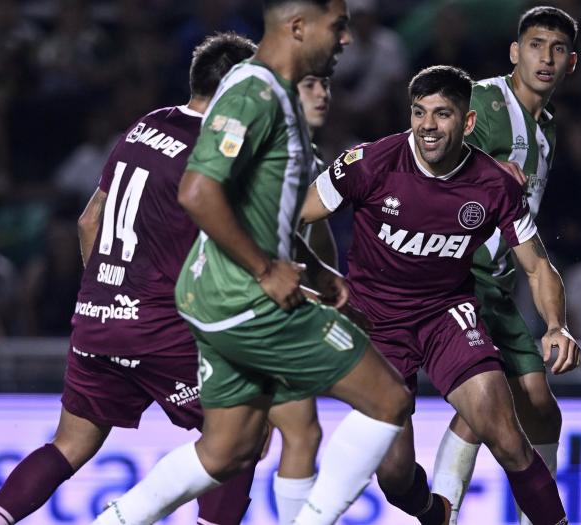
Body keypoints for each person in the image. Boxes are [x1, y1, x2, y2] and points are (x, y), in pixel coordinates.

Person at [92, 1, 412, 524]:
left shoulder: (267, 90)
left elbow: (254, 210)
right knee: (388, 400)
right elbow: (197, 192)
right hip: (245, 297)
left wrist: (316, 272)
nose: (347, 40)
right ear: (298, 27)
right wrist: (266, 269)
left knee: (228, 452)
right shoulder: (255, 94)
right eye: (338, 27)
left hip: (216, 296)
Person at [0, 32, 259, 525]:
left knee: (70, 445)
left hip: (96, 315)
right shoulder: (215, 152)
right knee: (240, 434)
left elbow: (89, 221)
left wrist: (110, 294)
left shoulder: (146, 126)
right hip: (158, 324)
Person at [299, 64, 578, 525]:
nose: (427, 125)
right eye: (419, 112)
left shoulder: (495, 183)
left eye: (442, 114)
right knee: (392, 477)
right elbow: (293, 216)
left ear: (467, 123)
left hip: (447, 314)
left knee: (506, 436)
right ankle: (434, 513)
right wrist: (307, 278)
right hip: (376, 326)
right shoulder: (370, 162)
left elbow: (537, 264)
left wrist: (556, 325)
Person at [424, 7, 578, 523]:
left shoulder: (548, 132)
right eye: (536, 45)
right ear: (515, 52)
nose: (546, 57)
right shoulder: (486, 101)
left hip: (496, 285)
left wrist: (556, 323)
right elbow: (428, 158)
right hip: (454, 279)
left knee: (539, 407)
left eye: (557, 49)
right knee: (485, 408)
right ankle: (441, 514)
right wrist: (482, 166)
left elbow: (523, 229)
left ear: (571, 63)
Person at [264, 73, 333, 525]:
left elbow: (314, 232)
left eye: (326, 84)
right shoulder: (268, 152)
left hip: (274, 308)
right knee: (296, 433)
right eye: (310, 84)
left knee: (243, 445)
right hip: (248, 307)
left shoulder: (309, 158)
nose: (323, 94)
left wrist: (331, 283)